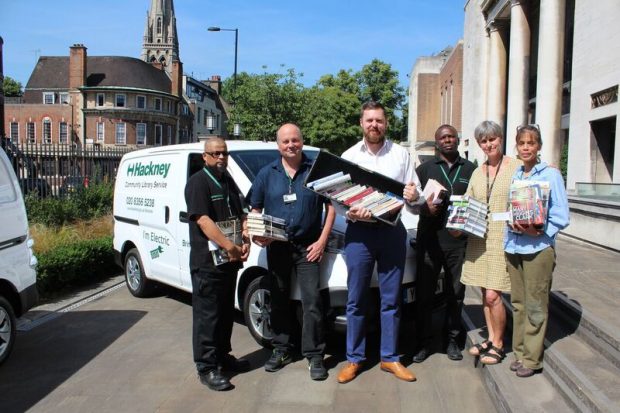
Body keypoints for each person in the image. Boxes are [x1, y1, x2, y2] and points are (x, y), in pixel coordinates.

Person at [336, 101, 422, 384]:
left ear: (386, 124)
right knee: (356, 299)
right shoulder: (348, 156)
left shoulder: (401, 155)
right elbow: (335, 201)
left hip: (391, 232)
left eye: (379, 121)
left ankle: (390, 357)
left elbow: (415, 195)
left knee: (391, 299)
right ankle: (354, 359)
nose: (374, 125)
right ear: (361, 123)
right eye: (369, 120)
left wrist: (413, 198)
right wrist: (348, 211)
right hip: (359, 233)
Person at [249, 123, 335, 381]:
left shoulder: (315, 171)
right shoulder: (267, 174)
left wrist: (321, 241)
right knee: (279, 299)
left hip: (308, 247)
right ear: (278, 145)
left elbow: (331, 207)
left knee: (312, 302)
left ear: (301, 141)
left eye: (295, 140)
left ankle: (314, 355)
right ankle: (281, 349)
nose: (291, 145)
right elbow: (254, 209)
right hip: (277, 247)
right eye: (285, 141)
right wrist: (256, 234)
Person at [184, 137, 251, 391]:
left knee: (224, 314)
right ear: (205, 156)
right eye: (215, 154)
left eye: (224, 153)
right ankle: (207, 368)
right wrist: (229, 245)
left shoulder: (228, 180)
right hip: (208, 264)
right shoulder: (197, 183)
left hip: (228, 262)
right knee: (207, 317)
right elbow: (203, 221)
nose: (221, 158)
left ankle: (223, 356)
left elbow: (241, 214)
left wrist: (245, 239)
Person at [504, 125, 569, 377]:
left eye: (531, 143)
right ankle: (519, 353)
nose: (526, 147)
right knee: (518, 303)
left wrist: (539, 231)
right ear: (517, 147)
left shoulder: (551, 175)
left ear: (539, 146)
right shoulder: (516, 175)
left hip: (538, 248)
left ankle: (532, 359)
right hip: (514, 246)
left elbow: (562, 215)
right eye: (522, 143)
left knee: (535, 305)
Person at [412, 124, 476, 363]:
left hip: (458, 242)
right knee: (425, 295)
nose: (448, 140)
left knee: (455, 294)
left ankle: (452, 341)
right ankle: (423, 343)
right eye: (443, 137)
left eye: (452, 136)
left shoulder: (471, 169)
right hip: (429, 241)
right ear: (436, 142)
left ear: (458, 140)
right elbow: (411, 203)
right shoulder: (424, 169)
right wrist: (423, 206)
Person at [460, 120, 520, 365]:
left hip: (502, 237)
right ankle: (491, 336)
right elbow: (467, 201)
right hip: (479, 239)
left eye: (492, 139)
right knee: (485, 293)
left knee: (494, 295)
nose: (489, 144)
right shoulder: (477, 171)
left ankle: (499, 344)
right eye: (484, 141)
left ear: (501, 138)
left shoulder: (516, 167)